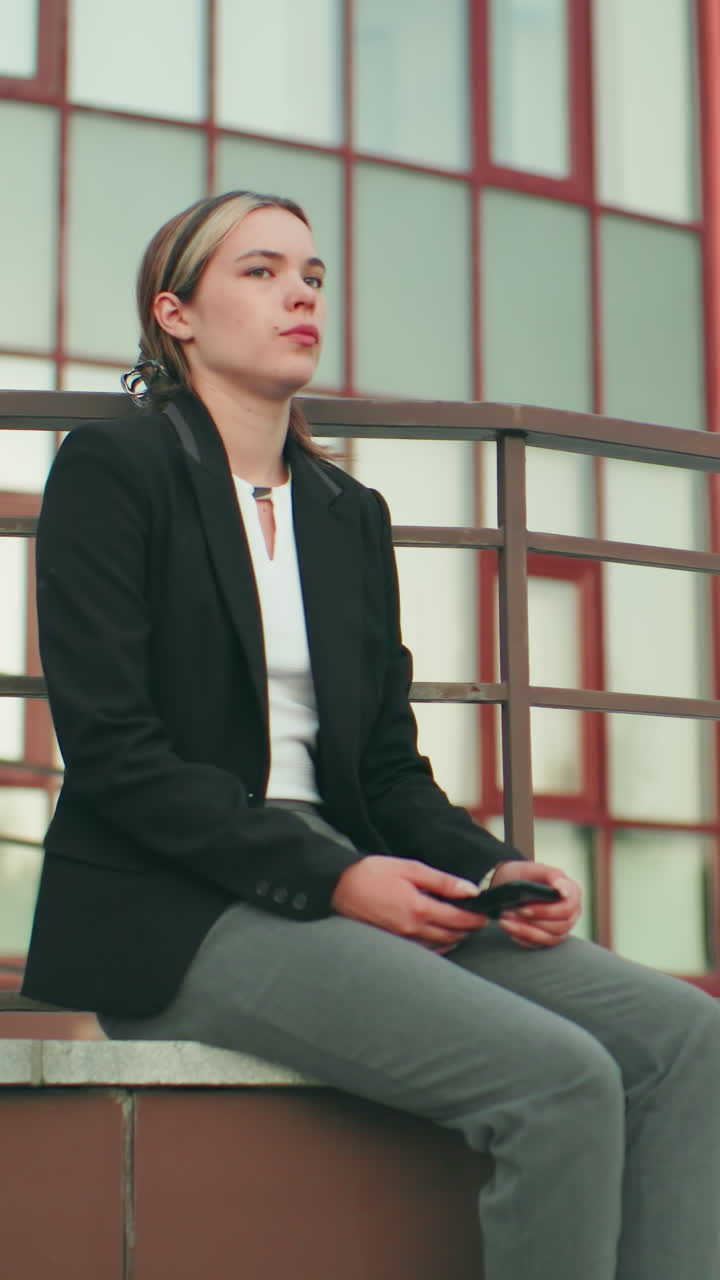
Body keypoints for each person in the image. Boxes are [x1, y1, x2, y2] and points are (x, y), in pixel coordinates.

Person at [22, 189, 720, 1280]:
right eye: (258, 271)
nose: (299, 291)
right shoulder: (115, 473)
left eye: (311, 273)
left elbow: (389, 768)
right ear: (177, 314)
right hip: (183, 899)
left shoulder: (347, 511)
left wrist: (490, 866)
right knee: (559, 1079)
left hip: (354, 872)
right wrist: (335, 878)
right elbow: (115, 750)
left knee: (687, 1039)